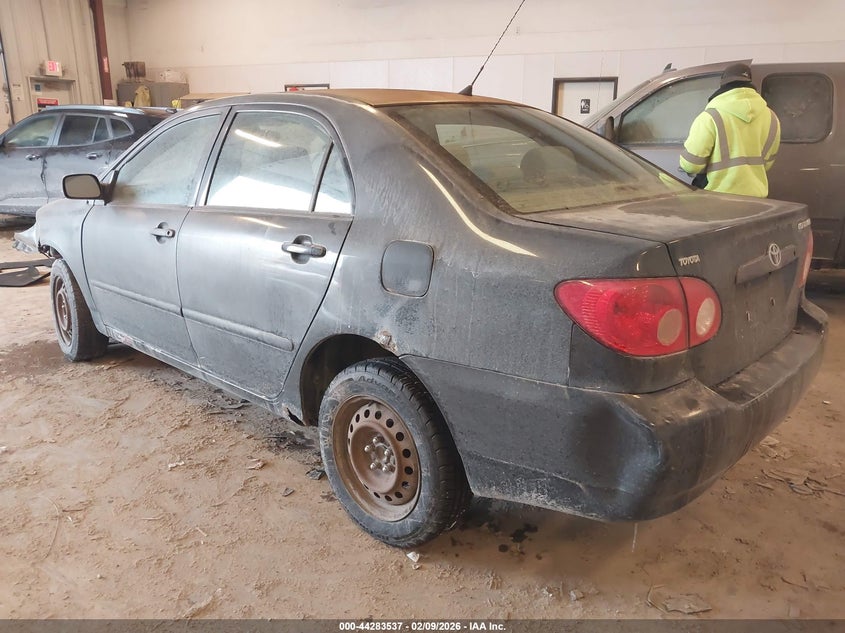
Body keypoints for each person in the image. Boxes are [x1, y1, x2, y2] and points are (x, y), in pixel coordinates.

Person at [680, 63, 780, 197]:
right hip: (757, 200)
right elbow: (766, 164)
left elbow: (691, 165)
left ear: (723, 84)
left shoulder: (710, 117)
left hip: (719, 199)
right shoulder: (772, 118)